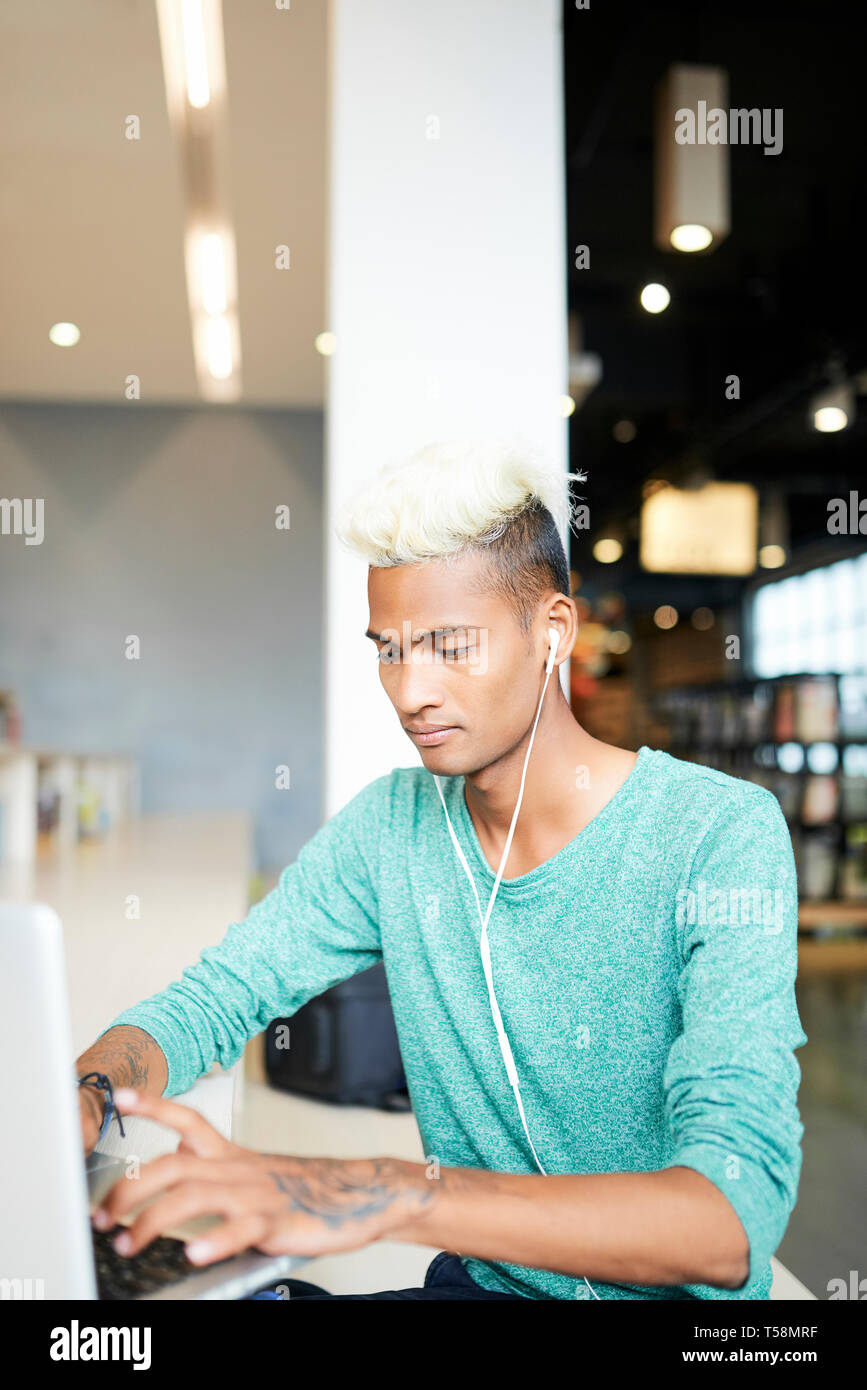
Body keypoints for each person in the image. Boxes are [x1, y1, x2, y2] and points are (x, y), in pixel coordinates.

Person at [77, 440, 807, 1301]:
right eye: (387, 648)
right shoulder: (392, 827)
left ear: (553, 633)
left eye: (448, 645)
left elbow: (727, 1221)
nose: (408, 690)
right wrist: (88, 1096)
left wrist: (381, 1191)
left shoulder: (715, 833)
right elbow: (213, 1000)